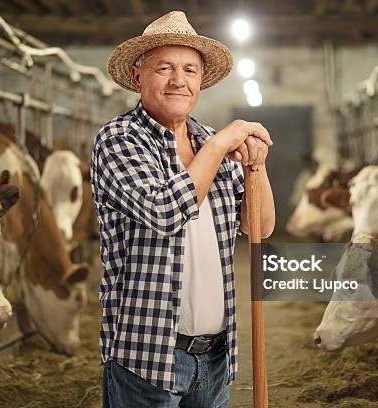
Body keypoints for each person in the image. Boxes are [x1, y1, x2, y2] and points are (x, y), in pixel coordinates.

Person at [91, 10, 275, 407]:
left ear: (200, 82)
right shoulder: (119, 140)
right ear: (139, 77)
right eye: (164, 68)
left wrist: (255, 166)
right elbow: (165, 212)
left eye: (190, 70)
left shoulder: (212, 141)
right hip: (149, 358)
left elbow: (260, 227)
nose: (178, 79)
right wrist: (221, 144)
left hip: (215, 357)